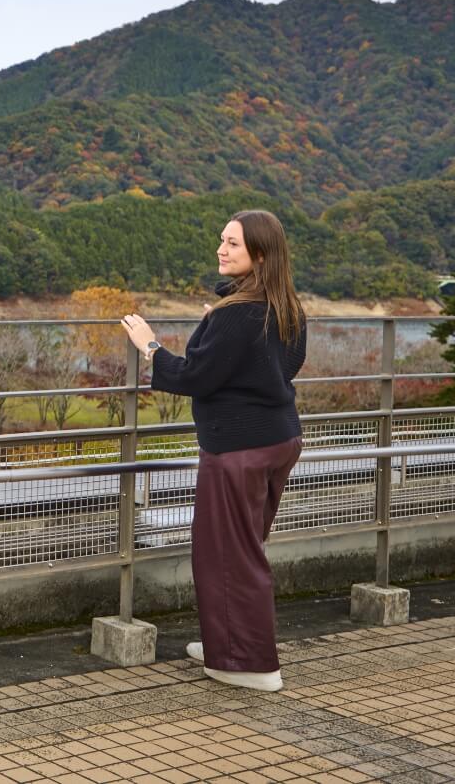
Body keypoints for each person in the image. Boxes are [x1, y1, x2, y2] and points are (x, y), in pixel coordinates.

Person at [119, 209, 308, 692]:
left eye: (233, 244)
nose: (221, 250)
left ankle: (251, 665)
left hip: (238, 450)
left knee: (227, 555)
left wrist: (150, 346)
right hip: (279, 439)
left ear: (259, 255)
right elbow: (283, 366)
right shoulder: (286, 307)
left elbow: (194, 377)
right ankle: (228, 644)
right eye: (222, 241)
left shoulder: (236, 315)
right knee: (243, 550)